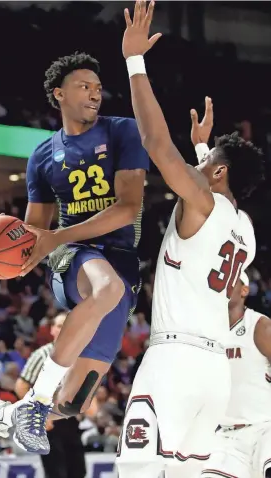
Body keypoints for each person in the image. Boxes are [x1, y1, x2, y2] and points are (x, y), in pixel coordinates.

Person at [0, 51, 149, 464]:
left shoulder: (122, 132)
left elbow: (127, 207)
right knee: (105, 286)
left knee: (72, 404)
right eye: (84, 87)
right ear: (59, 94)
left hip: (121, 261)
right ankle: (35, 401)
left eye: (98, 88)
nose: (95, 94)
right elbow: (33, 236)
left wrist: (52, 235)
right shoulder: (42, 156)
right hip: (75, 256)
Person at [116, 2, 264, 477]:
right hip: (215, 375)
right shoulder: (247, 230)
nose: (194, 168)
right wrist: (204, 148)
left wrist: (134, 62)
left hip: (175, 360)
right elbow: (211, 195)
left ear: (217, 173)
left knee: (135, 471)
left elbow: (158, 146)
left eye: (204, 164)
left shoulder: (204, 200)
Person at [201, 272, 271, 478]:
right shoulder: (207, 332)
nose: (225, 285)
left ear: (244, 290)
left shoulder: (260, 326)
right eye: (223, 281)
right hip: (228, 435)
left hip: (265, 427)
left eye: (233, 282)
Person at [14, 311, 86, 478]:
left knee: (78, 471)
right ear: (52, 330)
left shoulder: (79, 356)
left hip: (70, 418)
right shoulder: (42, 354)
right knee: (56, 472)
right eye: (60, 325)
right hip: (48, 419)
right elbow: (21, 385)